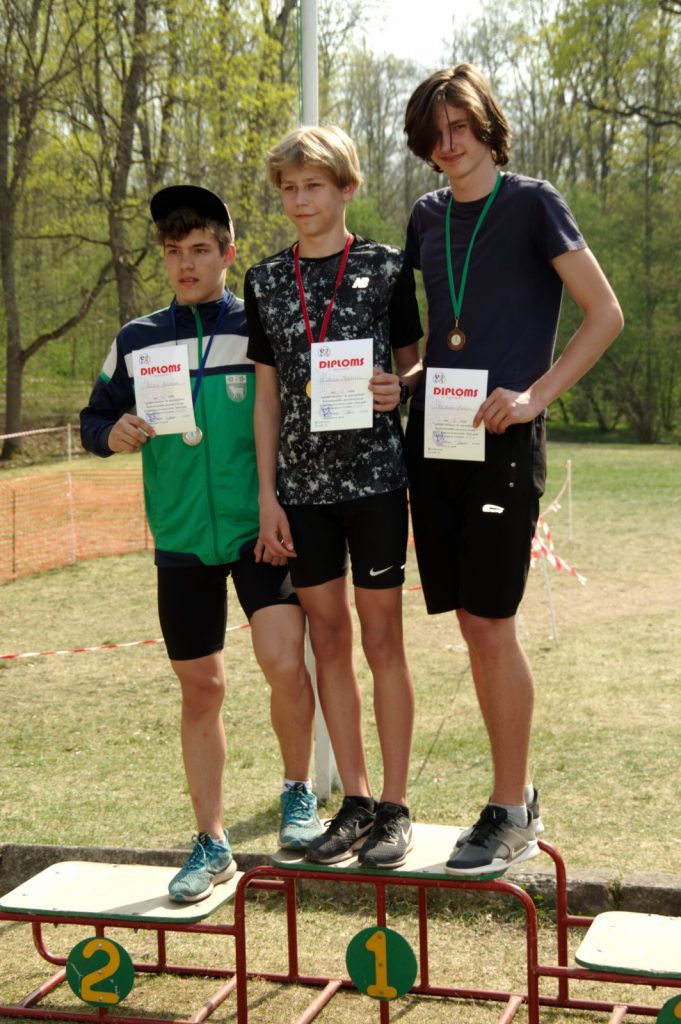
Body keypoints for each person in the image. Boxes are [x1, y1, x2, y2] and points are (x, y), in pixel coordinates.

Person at [402, 65, 623, 876]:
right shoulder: (425, 215)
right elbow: (439, 339)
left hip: (502, 438)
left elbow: (604, 314)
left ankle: (511, 808)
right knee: (469, 622)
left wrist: (534, 397)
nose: (448, 143)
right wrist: (406, 379)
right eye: (434, 133)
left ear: (487, 127)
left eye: (460, 126)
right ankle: (510, 800)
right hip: (436, 435)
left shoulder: (533, 203)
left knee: (492, 621)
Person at [80, 184, 323, 902]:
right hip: (182, 538)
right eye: (173, 252)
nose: (185, 264)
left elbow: (302, 407)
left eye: (198, 250)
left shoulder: (259, 326)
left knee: (284, 662)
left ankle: (298, 792)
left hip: (258, 531)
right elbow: (93, 420)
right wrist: (113, 432)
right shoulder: (137, 339)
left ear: (227, 253)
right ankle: (212, 842)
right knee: (203, 688)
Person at [245, 125, 423, 869]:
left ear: (346, 188)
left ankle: (395, 806)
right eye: (288, 188)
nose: (299, 200)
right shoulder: (263, 280)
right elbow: (267, 397)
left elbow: (414, 367)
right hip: (303, 494)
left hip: (376, 483)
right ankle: (354, 801)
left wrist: (397, 387)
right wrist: (268, 496)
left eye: (313, 185)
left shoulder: (385, 267)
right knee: (329, 643)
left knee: (382, 641)